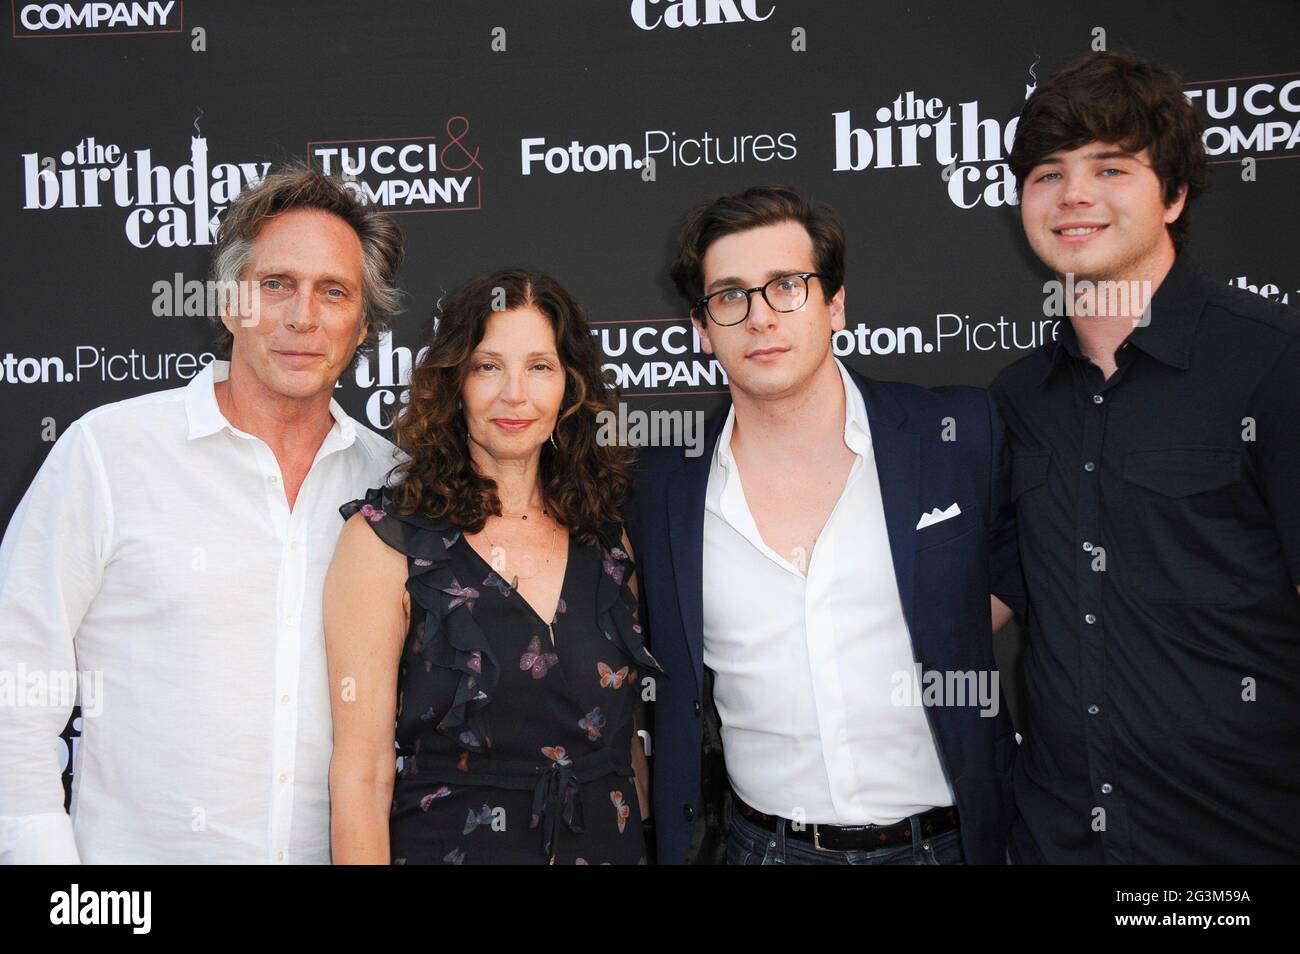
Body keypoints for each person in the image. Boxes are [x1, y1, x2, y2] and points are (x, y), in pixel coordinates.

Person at [0, 165, 405, 863]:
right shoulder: (108, 453)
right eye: (275, 285)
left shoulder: (392, 485)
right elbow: (16, 686)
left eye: (331, 292)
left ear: (362, 324)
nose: (301, 317)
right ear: (228, 303)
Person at [624, 185, 1022, 865]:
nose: (759, 317)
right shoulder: (657, 488)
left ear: (835, 303)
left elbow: (1018, 573)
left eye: (787, 285)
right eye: (730, 295)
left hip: (950, 844)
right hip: (762, 848)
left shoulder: (956, 436)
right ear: (701, 327)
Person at [994, 51, 1300, 863]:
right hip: (1057, 842)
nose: (1074, 196)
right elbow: (978, 592)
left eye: (1111, 167)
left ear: (1174, 194)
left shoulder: (1274, 364)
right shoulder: (1018, 398)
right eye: (1047, 173)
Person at [325, 269, 658, 865]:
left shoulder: (608, 538)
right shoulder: (387, 542)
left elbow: (624, 742)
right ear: (454, 383)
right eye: (488, 366)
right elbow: (361, 775)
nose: (515, 395)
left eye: (540, 366)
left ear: (570, 387)